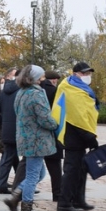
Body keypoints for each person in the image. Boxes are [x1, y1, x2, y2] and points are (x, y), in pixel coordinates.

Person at [3, 65, 58, 211]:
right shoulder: (35, 94)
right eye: (41, 77)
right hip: (36, 140)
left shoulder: (21, 93)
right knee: (34, 175)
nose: (43, 79)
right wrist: (56, 124)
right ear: (35, 78)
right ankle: (26, 210)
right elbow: (44, 118)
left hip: (26, 138)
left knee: (39, 174)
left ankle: (15, 197)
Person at [52, 62, 100, 211]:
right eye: (84, 73)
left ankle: (78, 199)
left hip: (80, 135)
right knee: (71, 170)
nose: (87, 76)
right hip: (74, 135)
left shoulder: (82, 89)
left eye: (89, 74)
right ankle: (64, 203)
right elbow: (77, 117)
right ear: (75, 73)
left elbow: (85, 112)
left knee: (81, 169)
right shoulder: (70, 88)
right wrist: (90, 138)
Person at [0, 68, 19, 194]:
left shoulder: (3, 92)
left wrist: (3, 123)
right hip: (18, 129)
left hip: (7, 129)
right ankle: (8, 185)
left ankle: (3, 184)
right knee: (16, 159)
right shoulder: (21, 92)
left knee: (9, 157)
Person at [40, 70, 63, 201]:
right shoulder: (54, 92)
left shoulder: (34, 90)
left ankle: (19, 191)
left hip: (36, 134)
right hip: (52, 132)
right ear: (53, 80)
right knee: (54, 165)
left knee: (28, 165)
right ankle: (57, 193)